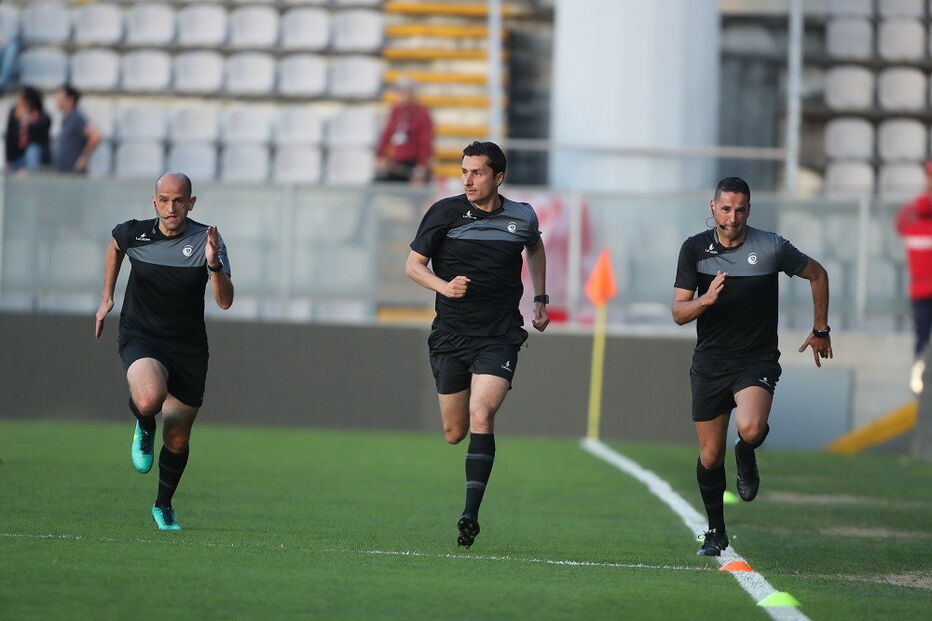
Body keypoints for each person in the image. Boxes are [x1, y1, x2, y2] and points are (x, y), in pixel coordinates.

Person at [672, 177, 831, 556]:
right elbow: (679, 312)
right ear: (713, 208)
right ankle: (715, 532)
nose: (733, 217)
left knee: (751, 427)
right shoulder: (694, 249)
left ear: (749, 210)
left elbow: (818, 274)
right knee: (710, 456)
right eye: (725, 209)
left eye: (740, 209)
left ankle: (746, 451)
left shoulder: (771, 246)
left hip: (755, 359)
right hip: (710, 361)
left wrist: (820, 328)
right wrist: (705, 301)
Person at [405, 141, 549, 548]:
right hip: (451, 335)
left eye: (477, 172)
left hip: (500, 335)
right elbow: (413, 265)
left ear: (498, 177)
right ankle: (470, 493)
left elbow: (535, 247)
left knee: (482, 413)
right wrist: (443, 286)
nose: (467, 179)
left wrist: (540, 299)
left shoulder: (521, 216)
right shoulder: (445, 213)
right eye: (464, 171)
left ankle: (470, 513)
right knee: (455, 432)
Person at [95, 172, 234, 531]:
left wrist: (213, 264)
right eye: (164, 200)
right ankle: (143, 426)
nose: (171, 208)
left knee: (177, 436)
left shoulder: (208, 240)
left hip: (187, 348)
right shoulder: (135, 233)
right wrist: (107, 296)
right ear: (154, 201)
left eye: (179, 201)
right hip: (142, 335)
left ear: (191, 203)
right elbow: (114, 245)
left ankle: (163, 504)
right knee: (148, 400)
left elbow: (225, 302)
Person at [894, 162, 932, 395]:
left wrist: (919, 198)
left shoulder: (911, 227)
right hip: (923, 291)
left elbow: (900, 221)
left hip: (919, 293)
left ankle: (917, 373)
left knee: (921, 336)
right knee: (922, 336)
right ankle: (919, 371)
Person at [375, 77, 434, 184]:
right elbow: (387, 135)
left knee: (418, 189)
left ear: (412, 94)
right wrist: (380, 156)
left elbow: (425, 142)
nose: (399, 95)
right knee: (375, 183)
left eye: (403, 92)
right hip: (395, 164)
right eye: (398, 92)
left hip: (412, 165)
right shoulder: (395, 111)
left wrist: (422, 167)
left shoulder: (422, 113)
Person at [53, 84, 101, 174]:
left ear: (70, 100)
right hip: (65, 172)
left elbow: (96, 135)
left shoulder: (77, 117)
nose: (56, 101)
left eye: (60, 98)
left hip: (74, 172)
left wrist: (84, 158)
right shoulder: (67, 118)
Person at [5, 86, 51, 172]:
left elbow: (37, 137)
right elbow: (9, 137)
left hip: (34, 157)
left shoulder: (43, 117)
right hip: (17, 155)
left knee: (33, 148)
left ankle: (31, 174)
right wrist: (8, 160)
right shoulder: (14, 114)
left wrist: (25, 121)